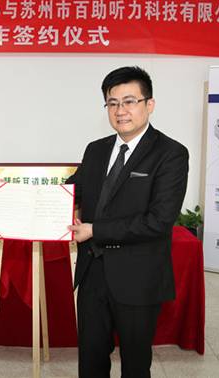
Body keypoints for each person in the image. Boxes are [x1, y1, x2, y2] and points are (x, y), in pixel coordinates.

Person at [66, 66, 189, 378]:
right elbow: (70, 192)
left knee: (135, 364)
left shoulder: (171, 154)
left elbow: (158, 220)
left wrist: (95, 230)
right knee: (90, 359)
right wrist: (10, 196)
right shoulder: (96, 150)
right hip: (93, 272)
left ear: (149, 104)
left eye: (130, 101)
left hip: (138, 276)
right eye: (113, 103)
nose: (120, 111)